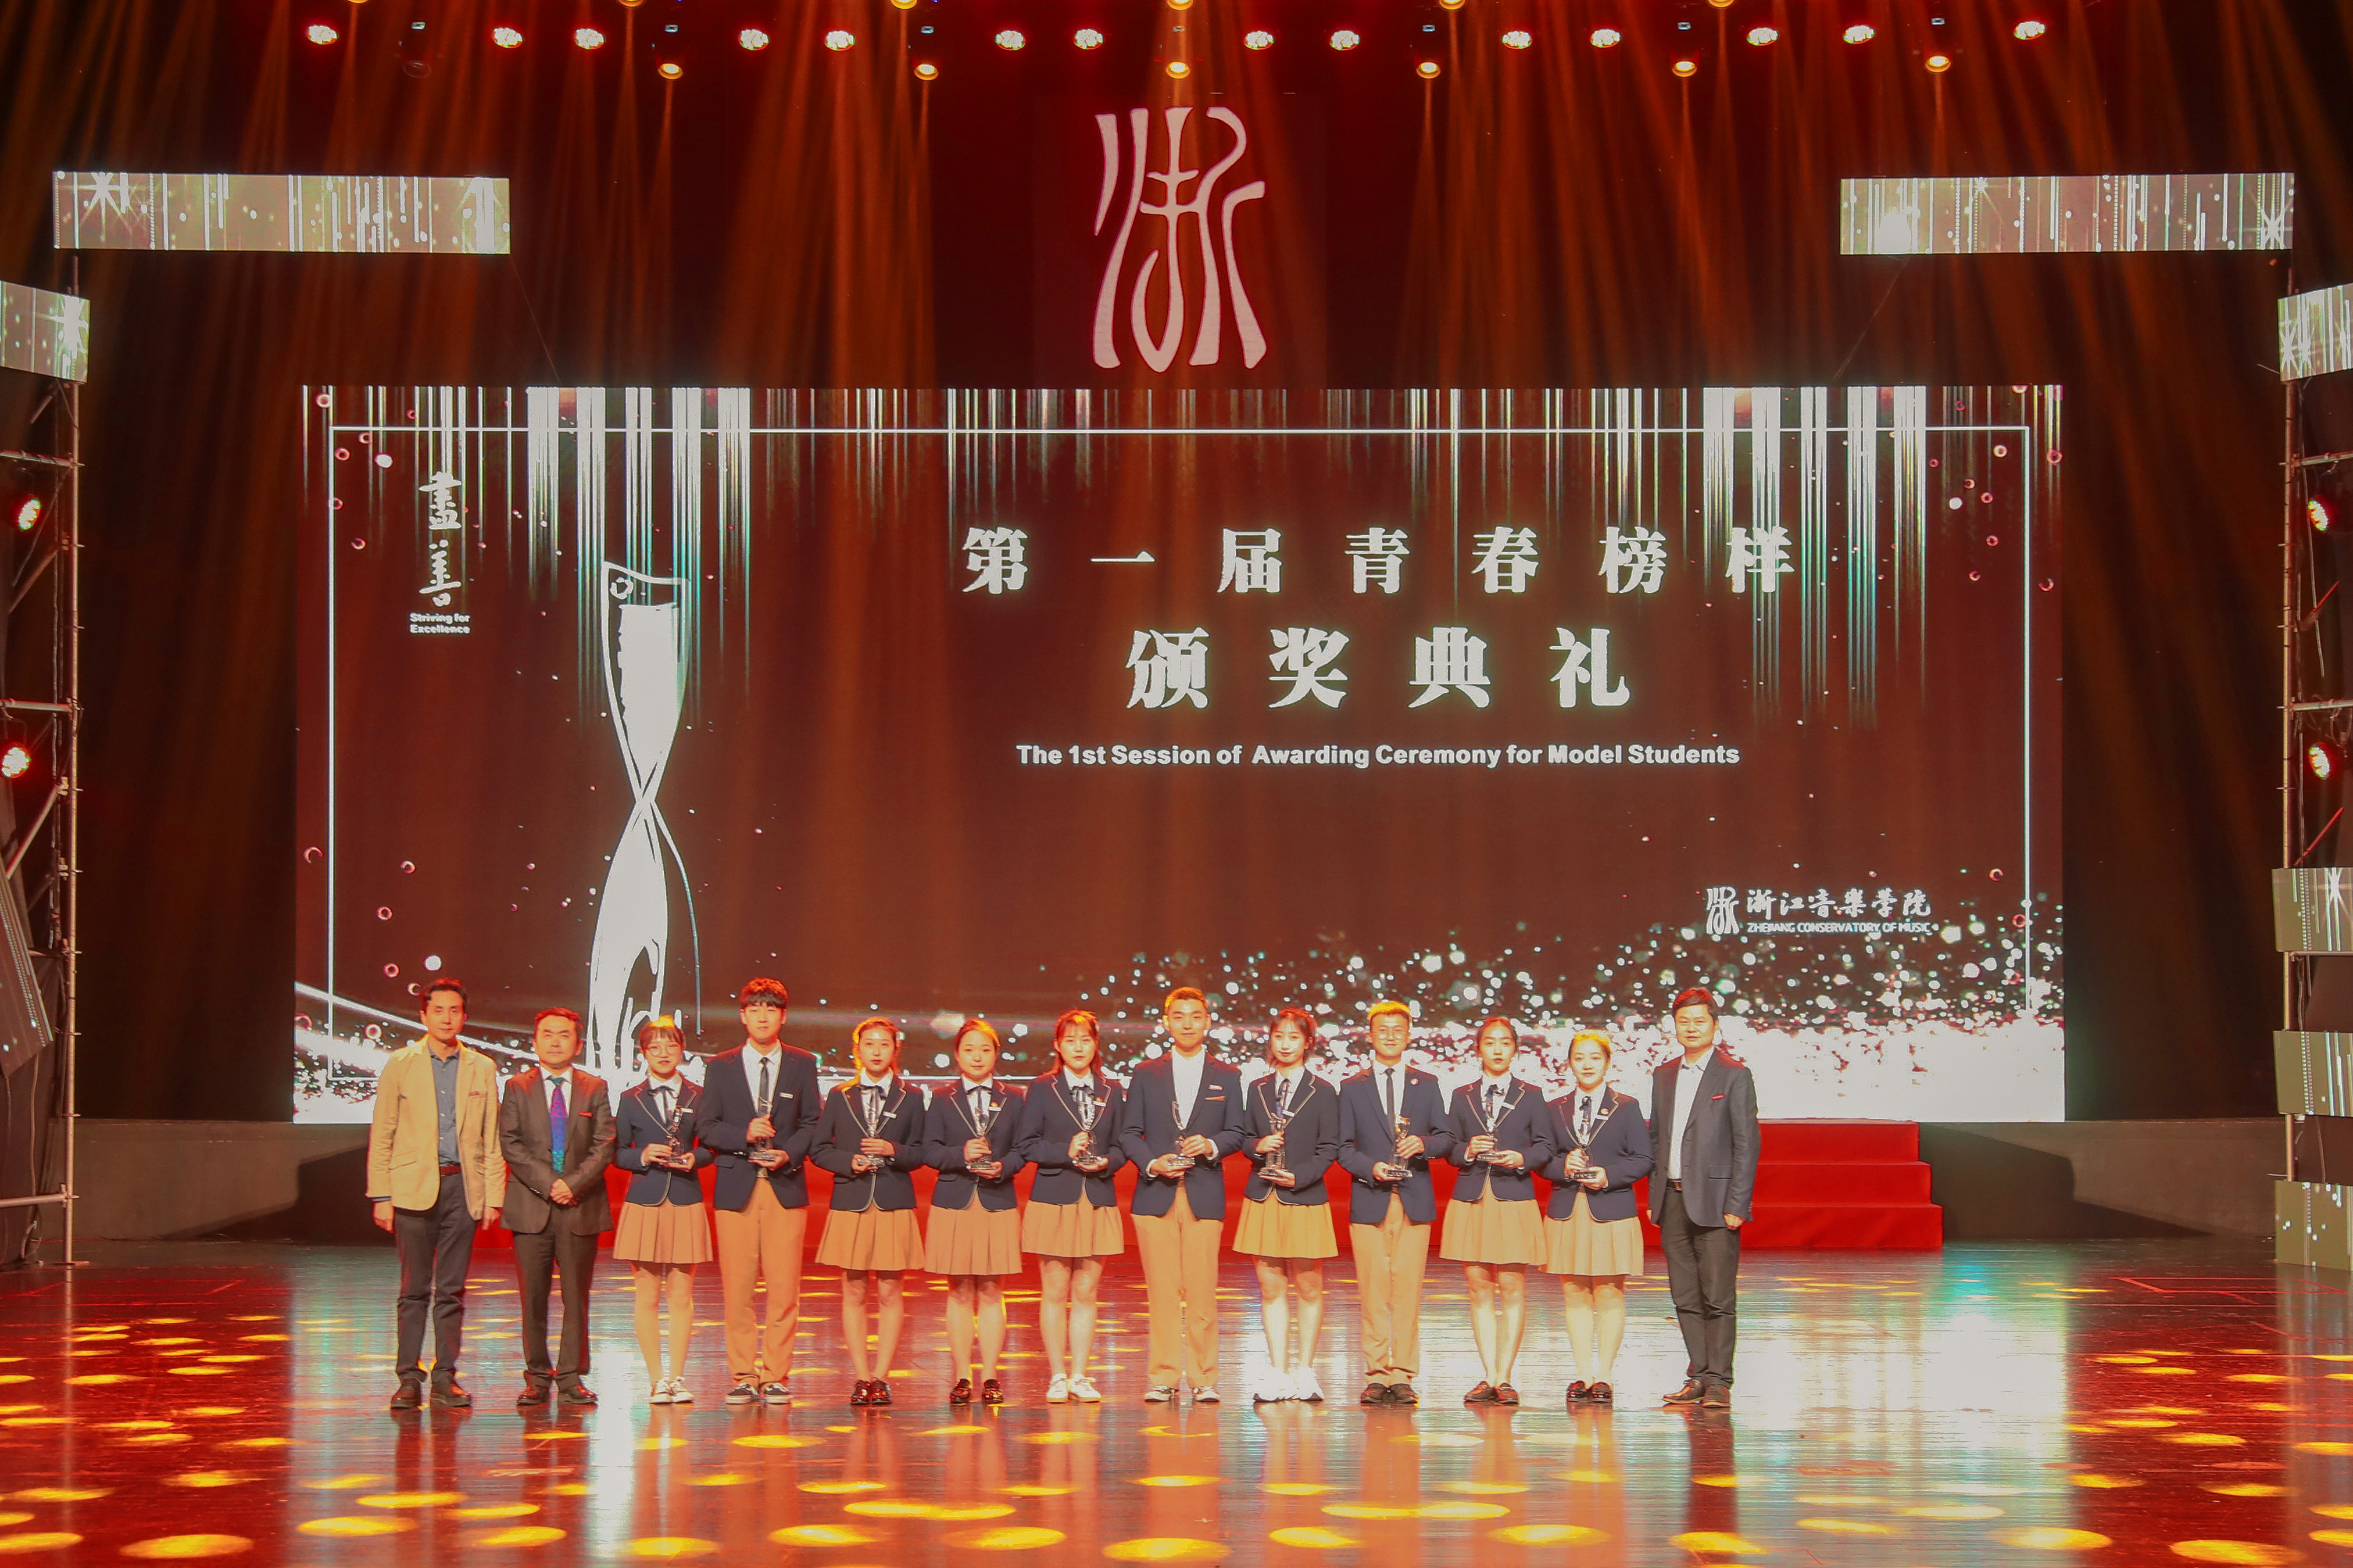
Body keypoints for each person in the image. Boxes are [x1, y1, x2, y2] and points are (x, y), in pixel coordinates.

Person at [366, 977, 506, 1411]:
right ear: (423, 1015)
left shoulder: (482, 1067)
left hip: (463, 1187)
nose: (447, 1018)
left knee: (452, 1289)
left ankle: (446, 1376)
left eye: (454, 1011)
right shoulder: (401, 1063)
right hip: (411, 1189)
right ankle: (408, 1378)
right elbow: (383, 1131)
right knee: (413, 1289)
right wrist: (381, 1195)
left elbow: (491, 1137)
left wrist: (493, 1195)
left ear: (465, 1017)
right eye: (438, 1010)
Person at [697, 978, 824, 1406]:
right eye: (755, 1009)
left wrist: (788, 1154)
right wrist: (743, 1134)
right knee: (738, 1290)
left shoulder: (802, 1063)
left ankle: (775, 1375)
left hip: (785, 1185)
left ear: (783, 1016)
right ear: (743, 1016)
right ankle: (743, 1375)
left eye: (771, 1009)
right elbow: (707, 1126)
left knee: (785, 1290)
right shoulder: (721, 1066)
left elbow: (812, 1123)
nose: (763, 1016)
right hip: (737, 1186)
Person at [1120, 986, 1247, 1405]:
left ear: (1207, 1021)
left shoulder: (1228, 1075)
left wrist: (1210, 1145)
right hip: (1155, 1192)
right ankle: (1164, 1377)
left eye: (1195, 1016)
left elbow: (1237, 1132)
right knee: (1161, 1292)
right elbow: (1128, 1134)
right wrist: (1152, 1163)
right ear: (1166, 1022)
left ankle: (1204, 1378)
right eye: (1179, 1016)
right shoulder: (1146, 1073)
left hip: (1203, 1192)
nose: (1187, 1024)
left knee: (1202, 1291)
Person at [1335, 998, 1453, 1407]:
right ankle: (1376, 1373)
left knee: (1407, 1291)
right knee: (1372, 1291)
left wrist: (1424, 1144)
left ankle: (1402, 1374)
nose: (1389, 1036)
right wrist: (1371, 1168)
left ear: (1408, 1036)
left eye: (1397, 1030)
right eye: (1382, 1030)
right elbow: (1342, 1148)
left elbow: (1446, 1138)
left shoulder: (1428, 1084)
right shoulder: (1353, 1087)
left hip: (1414, 1197)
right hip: (1370, 1196)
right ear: (1370, 1036)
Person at [498, 1005, 617, 1408]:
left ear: (578, 1044)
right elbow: (511, 1143)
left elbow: (605, 1144)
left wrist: (574, 1184)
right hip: (531, 1207)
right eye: (547, 1034)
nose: (555, 1042)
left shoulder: (595, 1087)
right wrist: (552, 1184)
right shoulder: (517, 1087)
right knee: (532, 1298)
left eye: (564, 1035)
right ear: (534, 1042)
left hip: (580, 1206)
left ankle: (570, 1377)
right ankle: (536, 1376)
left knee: (575, 1298)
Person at [1649, 988, 1760, 1410]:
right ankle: (1698, 1374)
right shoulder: (1663, 1075)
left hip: (1716, 1201)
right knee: (1685, 1296)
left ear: (1715, 1025)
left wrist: (1737, 1204)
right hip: (1672, 1199)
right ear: (1674, 1027)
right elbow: (1657, 1137)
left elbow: (1746, 1144)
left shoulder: (1733, 1075)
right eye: (1684, 1021)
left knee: (1718, 1296)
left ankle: (1719, 1381)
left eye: (1700, 1020)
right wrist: (1655, 1194)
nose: (1691, 1028)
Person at [813, 1015, 929, 1408]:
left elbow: (921, 1152)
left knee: (891, 1290)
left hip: (893, 1200)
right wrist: (850, 1162)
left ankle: (882, 1377)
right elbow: (819, 1149)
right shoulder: (839, 1095)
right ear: (857, 1049)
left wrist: (893, 1151)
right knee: (854, 1289)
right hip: (852, 1199)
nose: (876, 1051)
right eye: (869, 1044)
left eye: (884, 1044)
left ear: (895, 1050)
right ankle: (861, 1376)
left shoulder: (911, 1097)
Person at [1439, 1016, 1555, 1408]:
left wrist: (1521, 1158)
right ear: (1479, 1049)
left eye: (1505, 1042)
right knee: (1478, 1289)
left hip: (1513, 1196)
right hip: (1472, 1196)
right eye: (1490, 1042)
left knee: (1512, 1287)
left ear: (1515, 1049)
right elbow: (1450, 1147)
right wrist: (1468, 1151)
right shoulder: (1462, 1095)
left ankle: (1505, 1377)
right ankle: (1488, 1375)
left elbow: (1545, 1147)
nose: (1498, 1049)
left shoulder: (1531, 1095)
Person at [1014, 1008, 1127, 1404]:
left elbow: (1121, 1146)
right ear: (1057, 1046)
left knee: (1086, 1290)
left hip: (1097, 1196)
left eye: (1085, 1040)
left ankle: (1080, 1374)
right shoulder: (1042, 1088)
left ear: (1096, 1044)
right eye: (1070, 1041)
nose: (1078, 1048)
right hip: (1054, 1197)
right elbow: (1027, 1145)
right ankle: (1057, 1376)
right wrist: (1066, 1151)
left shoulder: (1112, 1090)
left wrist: (1107, 1161)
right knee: (1055, 1289)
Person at [1541, 1030, 1654, 1406]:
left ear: (1607, 1062)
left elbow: (1644, 1159)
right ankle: (1583, 1374)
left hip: (1611, 1208)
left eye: (1595, 1057)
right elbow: (1543, 1159)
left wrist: (1609, 1176)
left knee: (1609, 1291)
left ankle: (1604, 1375)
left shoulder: (1627, 1107)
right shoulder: (1555, 1108)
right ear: (1570, 1063)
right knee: (1574, 1292)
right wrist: (1563, 1165)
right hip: (1568, 1208)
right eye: (1580, 1058)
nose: (1587, 1065)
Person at [1234, 1008, 1340, 1404]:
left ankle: (1305, 1372)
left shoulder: (1323, 1090)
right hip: (1264, 1195)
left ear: (1308, 1043)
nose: (1285, 1044)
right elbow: (1245, 1138)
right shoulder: (1257, 1088)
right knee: (1270, 1286)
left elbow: (1329, 1147)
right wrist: (1257, 1146)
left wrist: (1301, 1176)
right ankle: (1278, 1371)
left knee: (1309, 1286)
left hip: (1304, 1196)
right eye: (1279, 1036)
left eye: (1294, 1037)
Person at [922, 1018, 1028, 1406]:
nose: (978, 1057)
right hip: (954, 1200)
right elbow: (929, 1151)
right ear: (957, 1055)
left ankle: (991, 1376)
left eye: (985, 1050)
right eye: (969, 1050)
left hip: (997, 1198)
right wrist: (960, 1154)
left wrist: (1004, 1167)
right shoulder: (942, 1098)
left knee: (993, 1289)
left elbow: (1022, 1149)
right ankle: (962, 1375)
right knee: (959, 1289)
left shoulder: (1014, 1098)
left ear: (996, 1055)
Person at [613, 1015, 714, 1405]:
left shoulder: (698, 1096)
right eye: (655, 1047)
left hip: (686, 1197)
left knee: (682, 1296)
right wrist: (642, 1155)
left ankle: (678, 1378)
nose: (663, 1053)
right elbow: (617, 1152)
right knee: (647, 1295)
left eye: (671, 1046)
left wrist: (695, 1158)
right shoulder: (630, 1098)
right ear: (643, 1053)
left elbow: (712, 1146)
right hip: (645, 1199)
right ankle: (656, 1380)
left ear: (682, 1050)